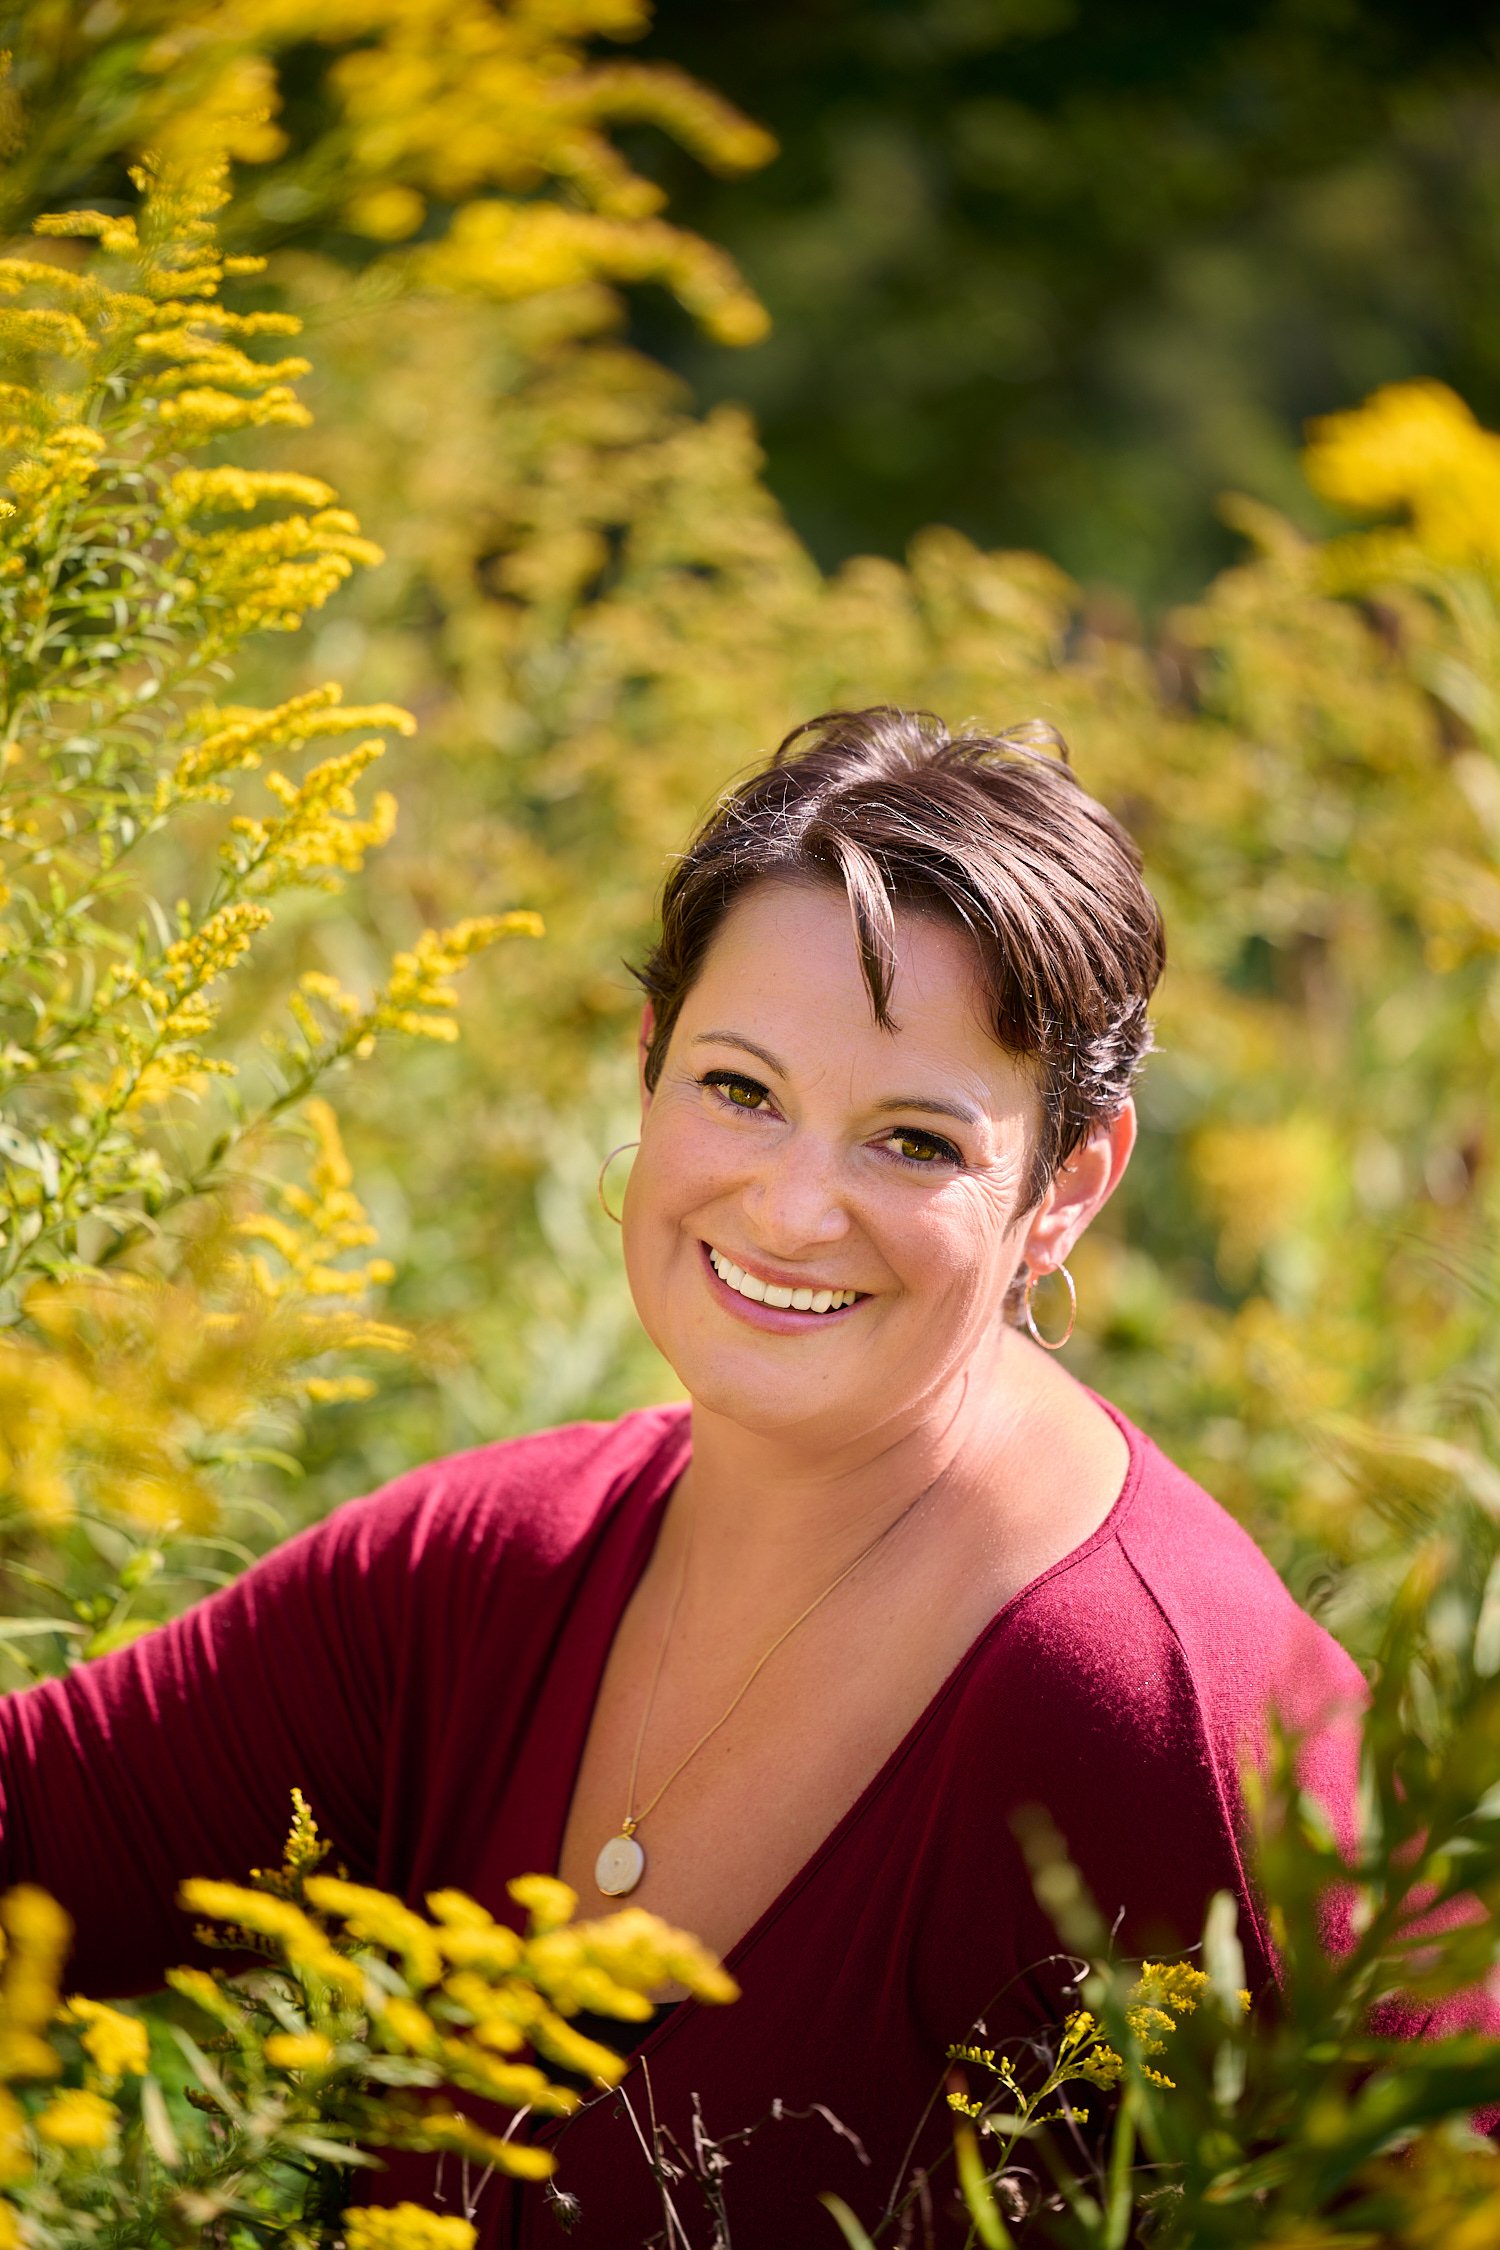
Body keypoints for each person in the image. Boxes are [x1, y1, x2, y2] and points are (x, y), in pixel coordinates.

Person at [0, 708, 1365, 2246]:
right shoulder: (482, 1572)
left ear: (1067, 1183)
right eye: (739, 1087)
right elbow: (29, 1838)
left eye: (914, 1141)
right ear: (648, 1064)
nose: (791, 1205)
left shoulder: (1157, 1705)